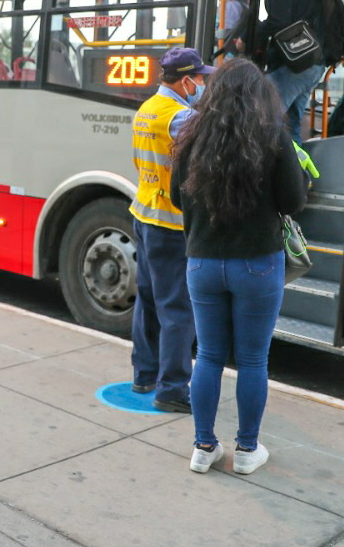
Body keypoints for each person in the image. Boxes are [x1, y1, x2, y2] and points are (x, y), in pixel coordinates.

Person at [170, 58, 308, 476]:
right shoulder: (274, 137)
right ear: (261, 96)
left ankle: (203, 447)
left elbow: (178, 197)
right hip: (258, 266)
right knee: (252, 360)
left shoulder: (192, 136)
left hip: (203, 264)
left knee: (208, 355)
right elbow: (293, 201)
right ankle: (247, 450)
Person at [129, 46, 213, 413]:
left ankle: (144, 373)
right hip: (169, 223)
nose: (204, 85)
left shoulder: (147, 109)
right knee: (178, 308)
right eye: (201, 79)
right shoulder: (180, 117)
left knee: (147, 300)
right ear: (186, 80)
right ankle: (173, 389)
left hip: (144, 214)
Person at [255, 0, 327, 143]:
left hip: (293, 65)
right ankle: (296, 171)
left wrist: (251, 36)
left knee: (262, 116)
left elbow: (278, 21)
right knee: (292, 122)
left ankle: (267, 171)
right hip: (314, 61)